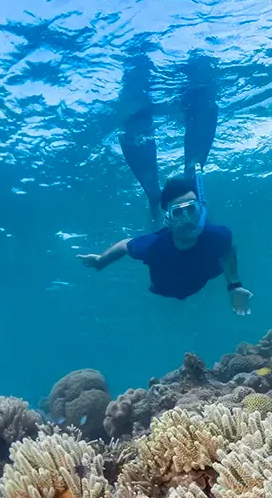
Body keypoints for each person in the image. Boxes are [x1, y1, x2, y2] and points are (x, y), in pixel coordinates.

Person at [77, 55, 252, 315]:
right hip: (170, 271)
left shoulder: (216, 236)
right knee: (155, 199)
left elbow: (229, 247)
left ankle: (173, 186)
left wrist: (234, 285)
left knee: (183, 196)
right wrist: (102, 260)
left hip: (191, 268)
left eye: (191, 209)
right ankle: (158, 196)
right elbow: (126, 244)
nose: (187, 218)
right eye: (178, 213)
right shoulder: (155, 246)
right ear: (171, 219)